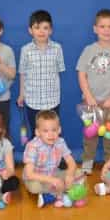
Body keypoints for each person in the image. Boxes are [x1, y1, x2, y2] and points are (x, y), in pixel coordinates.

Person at [76, 9, 110, 175]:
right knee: (90, 134)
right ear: (95, 29)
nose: (106, 30)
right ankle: (87, 162)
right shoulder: (88, 50)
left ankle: (109, 162)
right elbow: (81, 74)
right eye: (102, 26)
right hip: (90, 102)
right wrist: (88, 96)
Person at [17, 10, 65, 138]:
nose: (41, 31)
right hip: (33, 100)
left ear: (51, 30)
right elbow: (22, 74)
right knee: (36, 132)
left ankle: (54, 157)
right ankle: (37, 157)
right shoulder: (25, 50)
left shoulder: (57, 48)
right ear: (30, 30)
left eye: (45, 28)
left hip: (52, 100)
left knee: (53, 132)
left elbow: (59, 72)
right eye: (37, 28)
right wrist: (22, 94)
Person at [23, 110, 82, 207]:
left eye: (54, 130)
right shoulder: (32, 146)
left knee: (78, 172)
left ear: (59, 130)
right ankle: (58, 192)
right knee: (35, 187)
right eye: (45, 131)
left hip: (53, 173)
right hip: (36, 177)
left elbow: (71, 163)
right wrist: (52, 180)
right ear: (37, 132)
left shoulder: (60, 142)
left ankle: (55, 191)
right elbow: (29, 174)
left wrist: (70, 175)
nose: (51, 134)